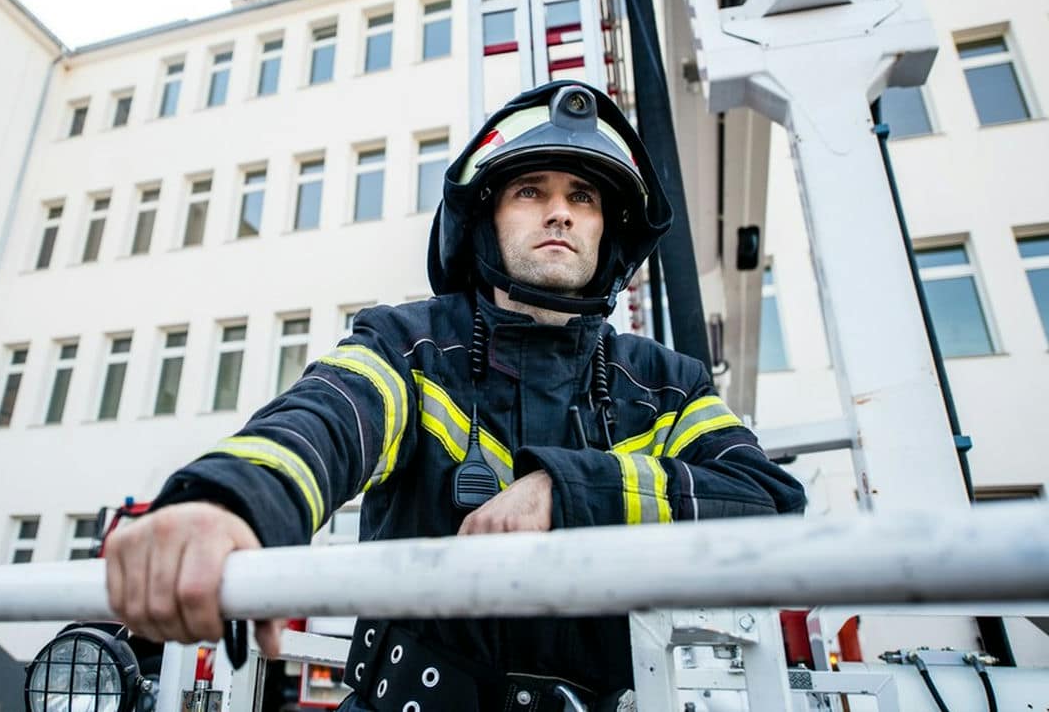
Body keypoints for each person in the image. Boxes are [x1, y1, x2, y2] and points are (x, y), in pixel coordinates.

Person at [105, 80, 806, 711]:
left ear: (606, 230)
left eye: (582, 197)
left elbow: (766, 502)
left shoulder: (665, 384)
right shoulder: (408, 346)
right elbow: (325, 419)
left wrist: (568, 492)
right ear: (485, 219)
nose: (559, 214)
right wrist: (231, 502)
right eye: (531, 191)